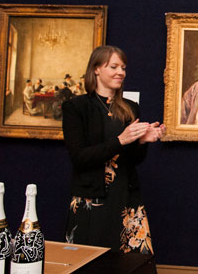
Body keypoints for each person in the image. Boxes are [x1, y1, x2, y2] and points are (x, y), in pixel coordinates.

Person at [62, 45, 165, 254]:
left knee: (130, 265)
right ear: (96, 69)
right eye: (114, 66)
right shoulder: (76, 107)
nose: (121, 72)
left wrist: (142, 141)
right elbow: (80, 157)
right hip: (91, 200)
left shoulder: (130, 107)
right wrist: (121, 140)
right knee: (89, 263)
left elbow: (134, 159)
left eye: (123, 68)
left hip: (126, 199)